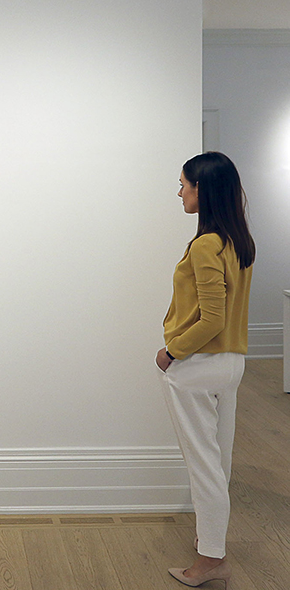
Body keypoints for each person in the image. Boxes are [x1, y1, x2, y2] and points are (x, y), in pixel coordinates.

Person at [156, 152, 255, 589]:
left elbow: (211, 318)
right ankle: (212, 549)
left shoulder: (204, 244)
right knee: (220, 462)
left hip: (198, 366)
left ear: (203, 189)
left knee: (204, 467)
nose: (179, 191)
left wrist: (172, 352)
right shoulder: (238, 241)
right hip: (231, 364)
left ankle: (210, 560)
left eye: (183, 184)